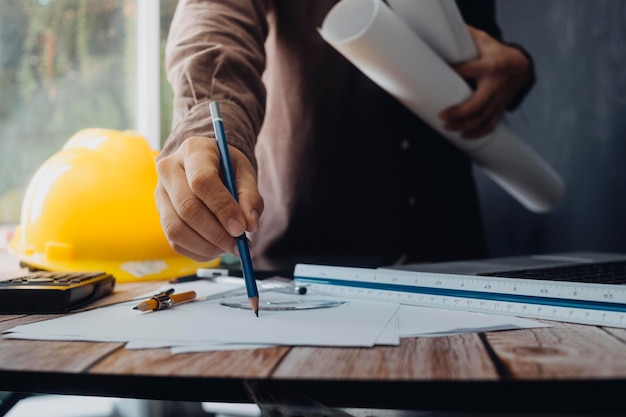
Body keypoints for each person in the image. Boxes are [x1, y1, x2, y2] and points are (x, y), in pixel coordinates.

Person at [155, 0, 535, 276]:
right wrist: (207, 123)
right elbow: (215, 19)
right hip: (307, 263)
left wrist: (517, 67)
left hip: (454, 254)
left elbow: (480, 47)